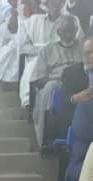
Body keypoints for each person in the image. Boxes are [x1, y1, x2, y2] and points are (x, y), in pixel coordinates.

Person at [32, 14, 83, 147]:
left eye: (73, 30)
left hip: (80, 85)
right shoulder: (47, 51)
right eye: (66, 31)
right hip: (57, 85)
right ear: (58, 32)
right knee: (51, 87)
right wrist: (60, 80)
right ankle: (46, 139)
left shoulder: (84, 48)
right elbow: (38, 79)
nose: (69, 34)